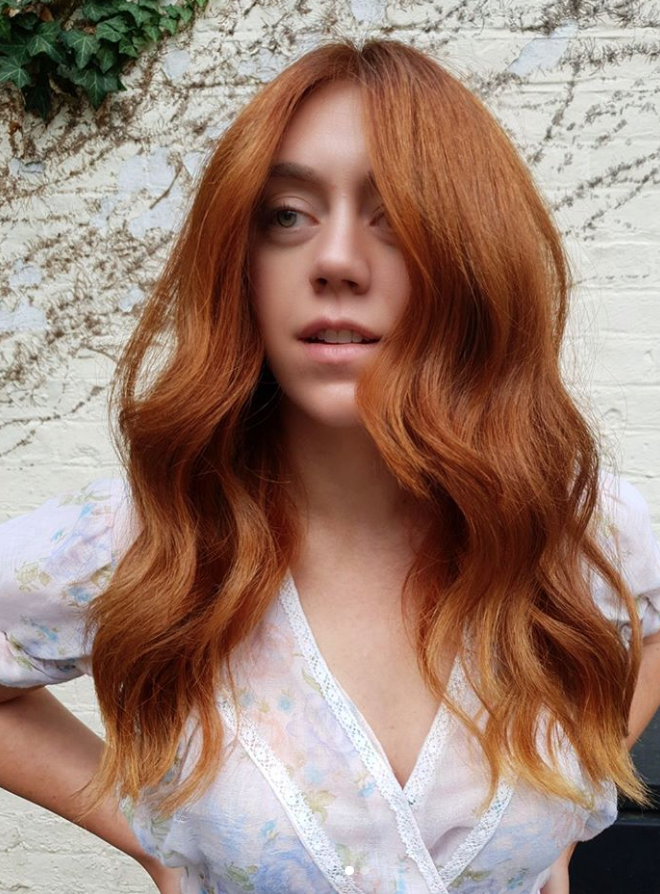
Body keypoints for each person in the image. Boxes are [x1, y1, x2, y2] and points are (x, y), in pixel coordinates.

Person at [1, 36, 659, 894]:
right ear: (240, 264)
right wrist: (145, 827)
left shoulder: (577, 524)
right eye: (286, 215)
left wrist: (567, 811)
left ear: (471, 260)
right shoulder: (151, 534)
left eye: (396, 216)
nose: (337, 261)